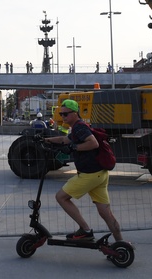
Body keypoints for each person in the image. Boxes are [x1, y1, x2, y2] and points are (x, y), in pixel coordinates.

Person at [44, 99, 124, 242]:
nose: (63, 117)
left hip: (90, 175)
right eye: (61, 114)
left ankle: (85, 230)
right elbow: (65, 140)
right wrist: (47, 140)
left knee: (61, 197)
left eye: (66, 114)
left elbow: (93, 143)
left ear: (75, 113)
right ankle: (121, 243)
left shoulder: (79, 128)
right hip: (100, 174)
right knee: (105, 213)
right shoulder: (77, 128)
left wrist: (74, 148)